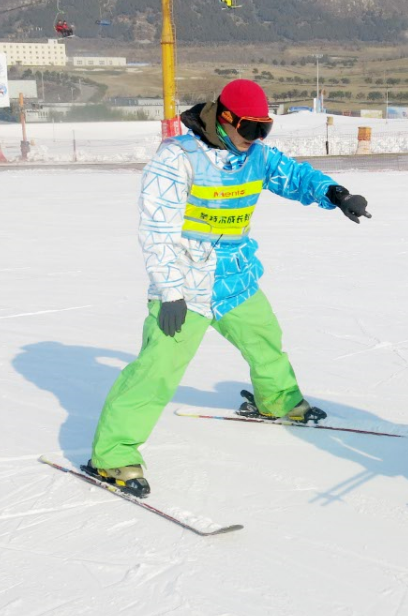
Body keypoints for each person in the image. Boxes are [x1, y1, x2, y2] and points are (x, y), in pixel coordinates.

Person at [86, 79, 371, 497]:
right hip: (185, 284)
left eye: (264, 129)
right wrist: (169, 292)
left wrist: (335, 194)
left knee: (265, 339)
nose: (257, 139)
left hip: (234, 276)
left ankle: (277, 401)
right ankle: (112, 455)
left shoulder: (256, 156)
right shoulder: (176, 159)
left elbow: (293, 176)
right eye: (250, 129)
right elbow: (157, 231)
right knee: (157, 369)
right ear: (224, 118)